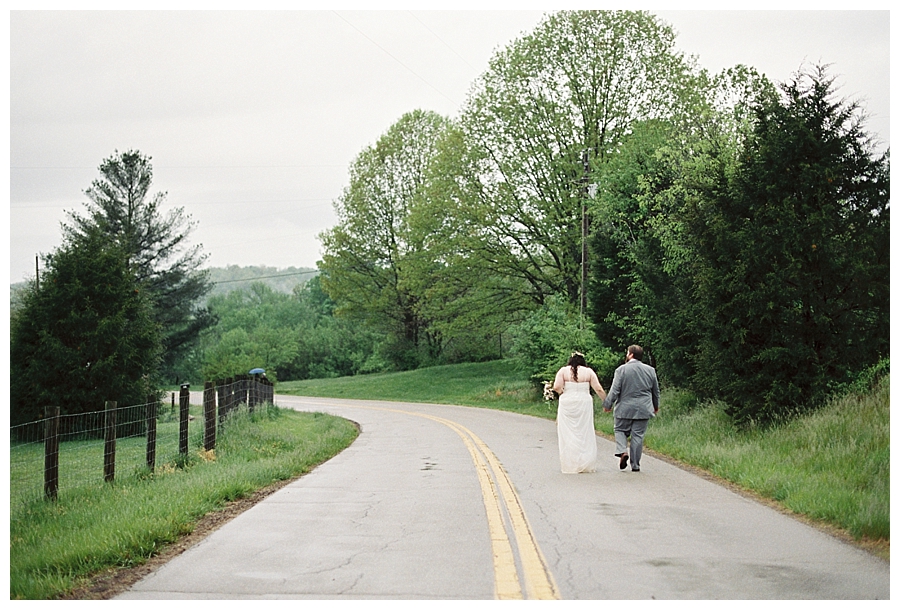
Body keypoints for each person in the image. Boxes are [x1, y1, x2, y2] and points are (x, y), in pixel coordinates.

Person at [603, 345, 659, 472]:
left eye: (627, 353)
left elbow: (615, 390)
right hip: (644, 408)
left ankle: (623, 451)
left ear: (631, 355)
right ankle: (635, 465)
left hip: (624, 408)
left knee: (619, 430)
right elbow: (656, 391)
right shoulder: (650, 370)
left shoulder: (621, 370)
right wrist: (655, 406)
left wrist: (608, 404)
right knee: (638, 436)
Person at [552, 352, 607, 473]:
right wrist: (606, 402)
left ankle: (571, 464)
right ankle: (585, 462)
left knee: (568, 433)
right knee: (584, 431)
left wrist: (564, 392)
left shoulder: (563, 371)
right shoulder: (589, 372)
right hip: (584, 402)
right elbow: (598, 388)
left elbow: (556, 386)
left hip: (567, 402)